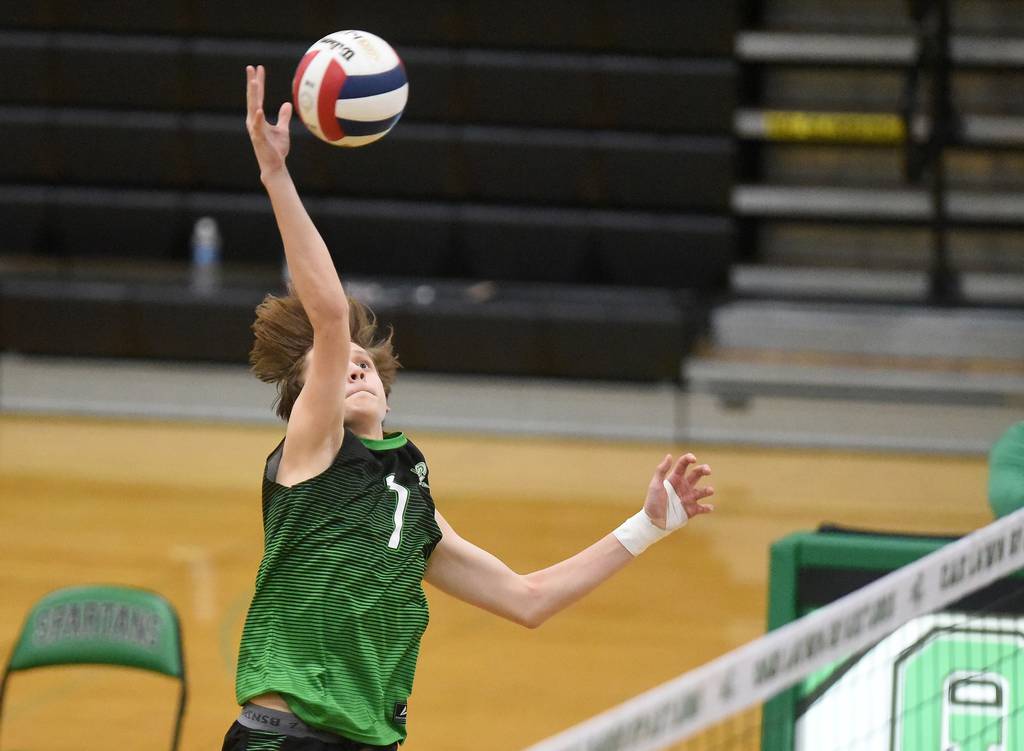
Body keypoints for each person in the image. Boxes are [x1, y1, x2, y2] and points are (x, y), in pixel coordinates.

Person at [223, 65, 717, 751]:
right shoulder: (310, 456)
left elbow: (527, 599)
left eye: (364, 363)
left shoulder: (409, 496)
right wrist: (277, 175)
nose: (355, 364)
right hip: (287, 738)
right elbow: (331, 315)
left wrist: (648, 526)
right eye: (335, 369)